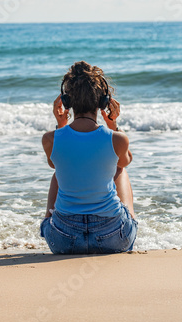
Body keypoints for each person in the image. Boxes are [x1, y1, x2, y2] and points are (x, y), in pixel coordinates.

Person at [40, 61, 138, 254]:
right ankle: (131, 219)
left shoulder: (50, 139)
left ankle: (48, 220)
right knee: (120, 169)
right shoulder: (117, 139)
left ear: (67, 102)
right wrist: (113, 126)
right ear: (103, 102)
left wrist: (61, 125)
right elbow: (125, 161)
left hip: (64, 240)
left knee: (58, 172)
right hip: (113, 237)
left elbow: (54, 163)